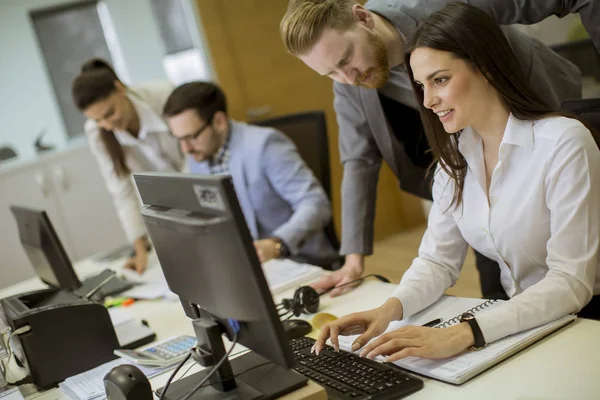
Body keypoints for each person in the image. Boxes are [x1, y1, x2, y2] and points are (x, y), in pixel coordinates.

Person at [312, 2, 600, 361]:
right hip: (526, 323)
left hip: (585, 323)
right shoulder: (455, 157)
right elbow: (437, 261)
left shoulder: (563, 142)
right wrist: (389, 310)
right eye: (421, 86)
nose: (428, 101)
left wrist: (465, 333)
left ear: (486, 68)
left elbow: (571, 282)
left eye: (441, 80)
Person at [162, 81, 338, 264]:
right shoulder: (197, 155)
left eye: (191, 137)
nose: (185, 149)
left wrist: (276, 244)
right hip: (243, 263)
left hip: (295, 260)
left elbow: (316, 204)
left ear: (219, 122)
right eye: (179, 139)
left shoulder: (265, 145)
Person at [72, 59, 183, 274]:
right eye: (98, 120)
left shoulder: (164, 96)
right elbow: (122, 191)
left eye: (109, 113)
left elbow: (195, 157)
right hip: (164, 210)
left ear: (120, 89)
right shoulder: (97, 132)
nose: (107, 125)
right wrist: (140, 250)